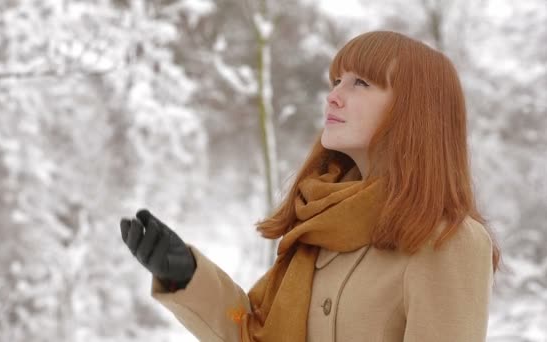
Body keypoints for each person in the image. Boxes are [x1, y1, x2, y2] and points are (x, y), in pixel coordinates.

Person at [120, 30, 502, 342]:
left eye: (360, 83)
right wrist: (186, 274)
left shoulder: (448, 242)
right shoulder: (319, 227)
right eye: (337, 81)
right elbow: (254, 332)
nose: (334, 95)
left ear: (414, 109)